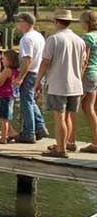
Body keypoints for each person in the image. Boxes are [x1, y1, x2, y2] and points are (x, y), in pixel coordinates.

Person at [35, 9, 87, 158]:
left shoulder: (54, 39)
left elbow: (45, 62)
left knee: (59, 117)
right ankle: (65, 143)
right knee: (68, 117)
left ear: (57, 21)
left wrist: (37, 81)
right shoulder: (79, 40)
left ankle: (60, 149)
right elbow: (83, 63)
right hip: (75, 84)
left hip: (58, 84)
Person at [13, 12, 50, 143]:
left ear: (25, 22)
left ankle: (29, 133)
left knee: (26, 103)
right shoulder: (39, 36)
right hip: (37, 72)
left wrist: (20, 77)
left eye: (18, 21)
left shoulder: (26, 38)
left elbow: (27, 59)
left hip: (29, 73)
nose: (17, 23)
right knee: (30, 101)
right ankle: (40, 127)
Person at [79, 11, 97, 153]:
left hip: (87, 74)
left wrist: (78, 76)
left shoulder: (87, 37)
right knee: (88, 108)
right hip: (95, 74)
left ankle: (67, 142)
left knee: (70, 107)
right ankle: (95, 142)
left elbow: (84, 59)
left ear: (86, 22)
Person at [0, 49, 20, 144]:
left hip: (4, 96)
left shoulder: (7, 70)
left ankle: (3, 138)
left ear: (9, 60)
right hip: (9, 96)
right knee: (3, 117)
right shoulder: (15, 71)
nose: (2, 61)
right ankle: (12, 132)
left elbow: (0, 83)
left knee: (3, 119)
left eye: (3, 59)